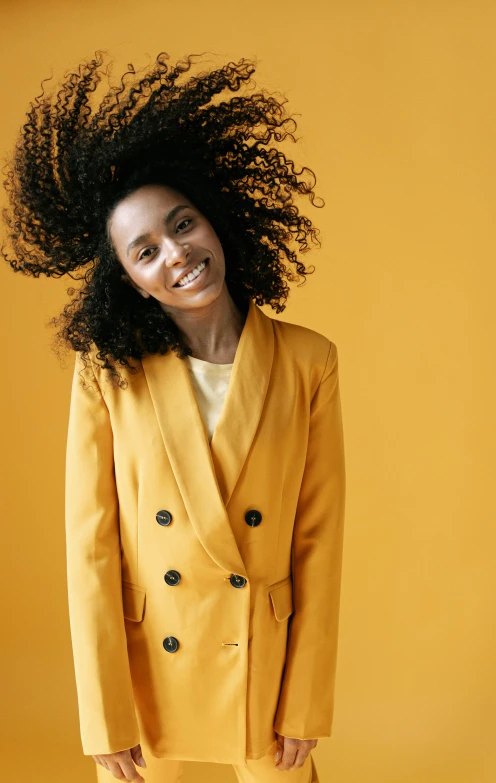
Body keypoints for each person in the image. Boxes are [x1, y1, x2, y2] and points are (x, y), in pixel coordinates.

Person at [1, 51, 346, 783]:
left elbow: (318, 540)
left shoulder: (309, 362)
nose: (177, 254)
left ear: (215, 220)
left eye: (183, 224)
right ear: (129, 281)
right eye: (146, 251)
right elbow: (89, 550)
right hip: (145, 663)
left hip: (264, 658)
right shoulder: (108, 372)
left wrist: (307, 701)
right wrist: (101, 714)